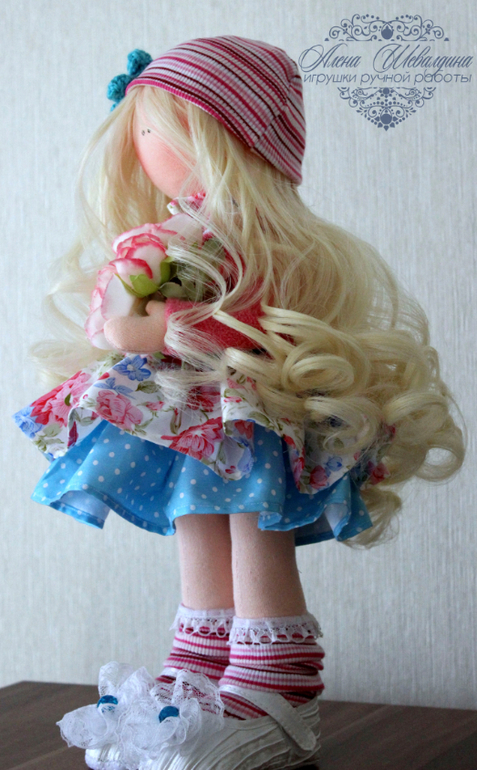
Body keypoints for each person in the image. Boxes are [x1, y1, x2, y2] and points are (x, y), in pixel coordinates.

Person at [13, 36, 464, 770]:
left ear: (232, 142)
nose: (146, 144)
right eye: (144, 128)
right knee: (198, 517)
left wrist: (150, 321)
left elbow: (164, 322)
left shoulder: (257, 243)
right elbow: (116, 323)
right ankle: (199, 664)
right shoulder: (181, 236)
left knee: (254, 520)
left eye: (163, 128)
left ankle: (276, 679)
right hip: (187, 405)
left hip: (248, 406)